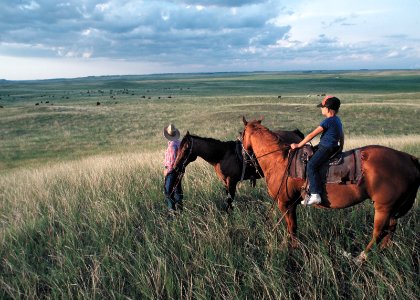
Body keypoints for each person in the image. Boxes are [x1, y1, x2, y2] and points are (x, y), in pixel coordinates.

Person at [290, 96, 344, 206]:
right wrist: (341, 147)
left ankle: (315, 195)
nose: (321, 109)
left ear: (328, 109)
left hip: (326, 148)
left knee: (311, 165)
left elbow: (311, 135)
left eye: (322, 107)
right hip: (330, 146)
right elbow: (341, 135)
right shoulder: (337, 120)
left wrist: (298, 145)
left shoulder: (327, 121)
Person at [163, 123, 183, 212]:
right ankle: (180, 209)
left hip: (171, 171)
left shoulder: (172, 146)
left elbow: (172, 162)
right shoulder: (179, 143)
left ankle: (172, 210)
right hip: (179, 170)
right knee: (177, 189)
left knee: (168, 191)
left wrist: (167, 171)